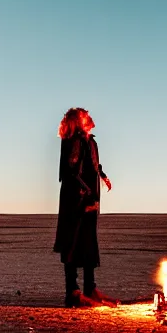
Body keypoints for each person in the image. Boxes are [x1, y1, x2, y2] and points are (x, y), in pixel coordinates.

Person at [53, 108, 119, 308]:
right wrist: (87, 193)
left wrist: (102, 175)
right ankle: (72, 293)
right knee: (73, 243)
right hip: (76, 200)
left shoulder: (90, 141)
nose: (90, 116)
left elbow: (92, 164)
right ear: (78, 121)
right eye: (85, 115)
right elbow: (71, 171)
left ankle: (90, 289)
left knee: (89, 241)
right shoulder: (74, 141)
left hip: (90, 199)